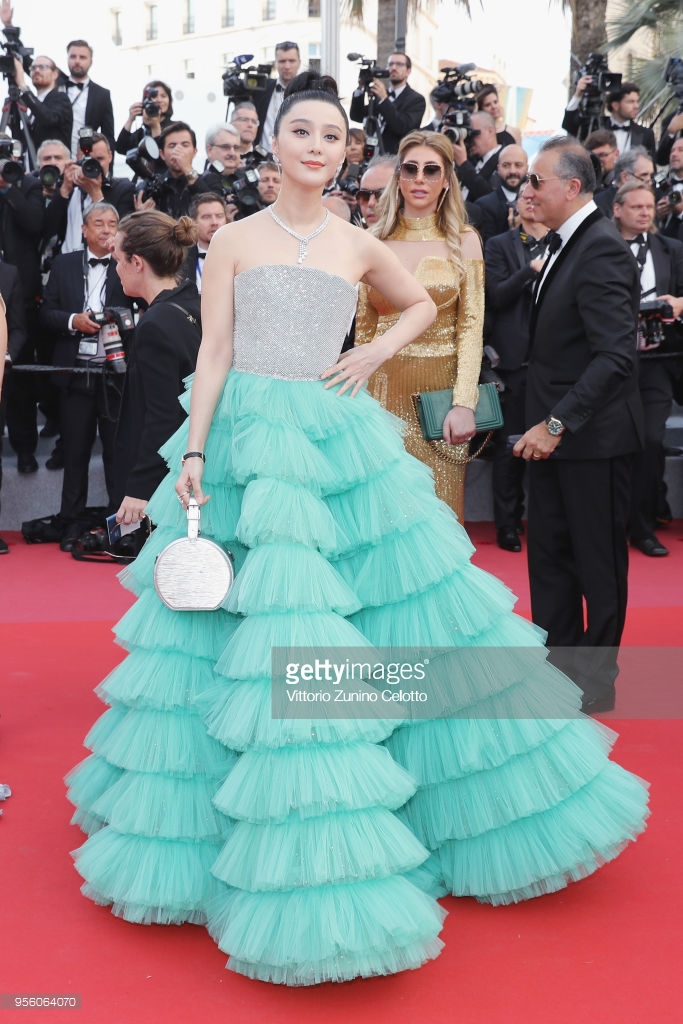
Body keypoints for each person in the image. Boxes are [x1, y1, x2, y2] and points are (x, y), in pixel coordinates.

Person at [66, 74, 649, 988]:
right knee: (234, 626)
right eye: (300, 130)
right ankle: (241, 821)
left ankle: (389, 801)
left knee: (383, 605)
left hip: (336, 434)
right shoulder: (234, 240)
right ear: (274, 144)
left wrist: (375, 348)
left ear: (345, 151)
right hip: (249, 438)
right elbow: (214, 351)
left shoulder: (355, 240)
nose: (315, 145)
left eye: (331, 135)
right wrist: (195, 450)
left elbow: (418, 304)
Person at [513, 136, 643, 714]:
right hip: (553, 437)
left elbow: (615, 357)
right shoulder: (567, 242)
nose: (528, 190)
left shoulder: (601, 248)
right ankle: (558, 674)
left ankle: (595, 684)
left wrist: (556, 423)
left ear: (571, 186)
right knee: (550, 559)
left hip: (591, 441)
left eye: (536, 180)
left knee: (597, 567)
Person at [354, 130, 484, 524]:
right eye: (410, 169)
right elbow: (364, 332)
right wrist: (357, 404)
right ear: (398, 178)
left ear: (446, 180)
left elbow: (471, 327)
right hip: (380, 396)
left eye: (431, 170)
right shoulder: (372, 241)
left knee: (438, 515)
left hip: (439, 399)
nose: (420, 179)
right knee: (382, 515)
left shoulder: (464, 240)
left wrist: (464, 403)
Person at [40, 202, 135, 552]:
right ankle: (71, 523)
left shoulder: (130, 263)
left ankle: (120, 528)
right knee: (75, 453)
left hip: (116, 374)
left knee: (117, 454)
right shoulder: (63, 264)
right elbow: (45, 314)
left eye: (112, 223)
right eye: (99, 223)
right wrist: (73, 321)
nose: (106, 229)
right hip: (76, 372)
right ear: (84, 229)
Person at [109, 211, 202, 524]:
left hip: (168, 481)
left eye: (118, 260)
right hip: (199, 460)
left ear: (137, 262)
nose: (116, 269)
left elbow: (164, 415)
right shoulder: (196, 302)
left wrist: (140, 486)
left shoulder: (156, 324)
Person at [612, 179, 683, 557]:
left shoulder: (672, 249)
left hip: (657, 362)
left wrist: (680, 304)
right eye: (636, 206)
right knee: (617, 443)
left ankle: (643, 527)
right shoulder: (601, 249)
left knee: (651, 440)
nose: (644, 213)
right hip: (611, 363)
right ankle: (612, 524)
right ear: (617, 210)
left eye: (649, 207)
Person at [483, 188, 549, 552]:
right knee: (509, 448)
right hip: (513, 364)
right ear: (516, 205)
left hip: (553, 362)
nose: (531, 201)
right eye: (525, 197)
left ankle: (545, 522)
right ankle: (507, 525)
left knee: (550, 448)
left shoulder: (564, 242)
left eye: (537, 196)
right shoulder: (498, 245)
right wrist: (529, 271)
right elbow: (496, 296)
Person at [349, 53, 426, 155]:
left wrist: (384, 100)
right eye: (390, 64)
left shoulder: (416, 99)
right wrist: (360, 89)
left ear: (408, 71)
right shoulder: (379, 94)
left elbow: (403, 127)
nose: (393, 68)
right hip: (371, 154)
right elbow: (357, 116)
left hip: (395, 155)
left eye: (399, 64)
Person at [63, 39, 115, 156]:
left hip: (88, 159)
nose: (77, 61)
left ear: (91, 61)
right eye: (73, 57)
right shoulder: (56, 88)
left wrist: (107, 165)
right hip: (58, 159)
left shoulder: (102, 94)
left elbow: (109, 136)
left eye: (82, 57)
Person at [115, 80, 175, 158]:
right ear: (145, 103)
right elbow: (120, 148)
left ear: (169, 100)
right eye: (154, 96)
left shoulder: (176, 128)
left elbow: (161, 156)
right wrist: (130, 119)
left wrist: (155, 126)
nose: (159, 100)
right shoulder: (142, 132)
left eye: (163, 96)